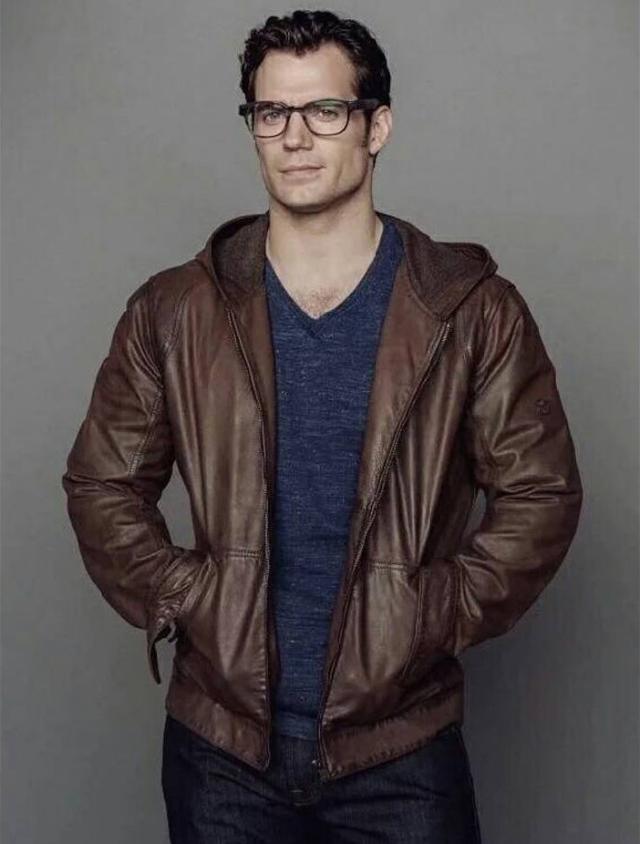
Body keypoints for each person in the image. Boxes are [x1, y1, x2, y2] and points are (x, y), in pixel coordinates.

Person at [61, 9, 583, 843]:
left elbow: (541, 494)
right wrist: (186, 596)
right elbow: (102, 483)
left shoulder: (471, 311)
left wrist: (433, 611)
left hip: (402, 750)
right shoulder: (175, 309)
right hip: (221, 751)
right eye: (272, 113)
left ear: (378, 127)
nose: (295, 136)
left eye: (325, 111)